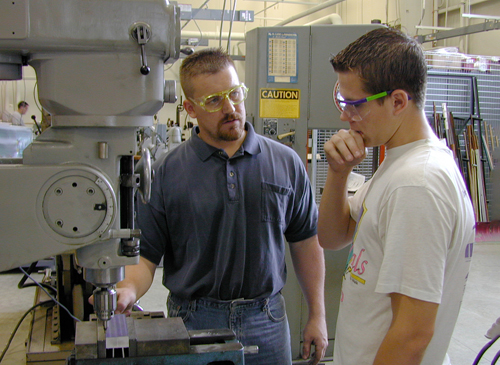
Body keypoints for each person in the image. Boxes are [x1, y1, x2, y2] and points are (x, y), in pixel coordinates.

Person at [115, 48, 328, 365]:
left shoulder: (285, 162)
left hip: (266, 319)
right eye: (214, 101)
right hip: (195, 319)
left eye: (235, 94)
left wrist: (318, 314)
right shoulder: (166, 171)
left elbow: (306, 242)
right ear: (190, 108)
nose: (230, 108)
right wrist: (128, 289)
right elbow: (145, 255)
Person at [317, 27, 475, 365]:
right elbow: (331, 237)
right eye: (342, 102)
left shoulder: (417, 184)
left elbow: (412, 335)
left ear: (398, 101)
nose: (345, 116)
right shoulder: (401, 164)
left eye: (355, 104)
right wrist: (338, 172)